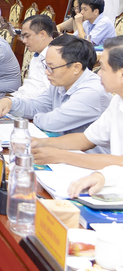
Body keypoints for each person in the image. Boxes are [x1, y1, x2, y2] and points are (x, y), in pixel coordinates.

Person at [31, 36, 123, 172]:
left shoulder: (95, 91)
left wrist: (63, 156)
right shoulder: (117, 100)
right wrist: (41, 142)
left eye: (103, 68)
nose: (99, 75)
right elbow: (87, 139)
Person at [0, 34, 110, 135]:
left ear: (76, 67)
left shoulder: (92, 91)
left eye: (51, 67)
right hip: (59, 147)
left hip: (85, 158)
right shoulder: (61, 82)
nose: (47, 72)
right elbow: (35, 106)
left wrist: (40, 115)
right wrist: (10, 103)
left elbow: (52, 122)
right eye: (46, 66)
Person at [13, 14, 54, 99]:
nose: (24, 41)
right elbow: (29, 87)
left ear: (42, 34)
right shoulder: (36, 56)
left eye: (27, 36)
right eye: (23, 37)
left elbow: (47, 95)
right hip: (22, 100)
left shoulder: (57, 58)